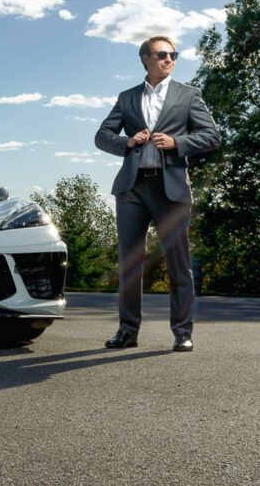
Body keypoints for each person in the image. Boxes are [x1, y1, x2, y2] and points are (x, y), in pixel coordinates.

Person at [94, 36, 220, 352]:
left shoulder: (189, 95)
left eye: (173, 55)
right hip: (132, 189)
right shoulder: (127, 98)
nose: (169, 59)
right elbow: (101, 135)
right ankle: (127, 331)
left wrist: (178, 143)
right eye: (163, 54)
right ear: (146, 59)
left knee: (178, 264)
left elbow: (212, 135)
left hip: (171, 189)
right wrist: (127, 143)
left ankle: (182, 332)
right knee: (130, 263)